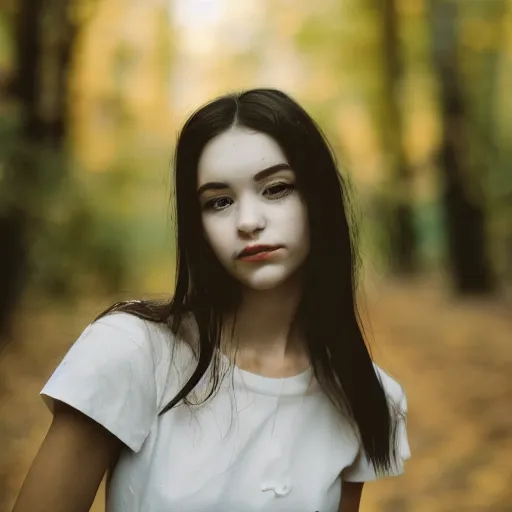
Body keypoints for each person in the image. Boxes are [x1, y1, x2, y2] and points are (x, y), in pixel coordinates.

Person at [12, 88, 410, 512]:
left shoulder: (367, 396)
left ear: (319, 198)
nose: (249, 222)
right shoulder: (131, 352)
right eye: (219, 202)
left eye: (276, 189)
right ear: (196, 224)